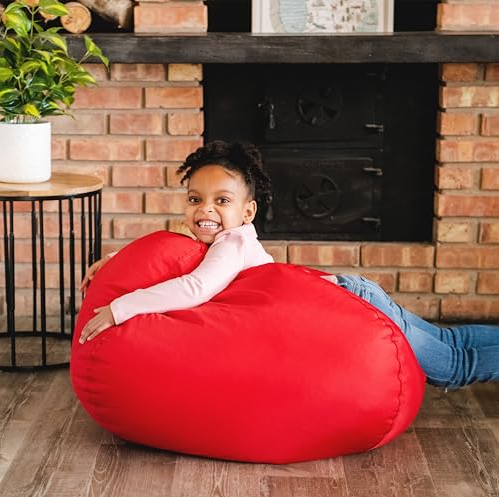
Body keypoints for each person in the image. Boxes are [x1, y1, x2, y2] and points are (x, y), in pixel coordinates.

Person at [79, 140, 499, 389]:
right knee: (451, 339)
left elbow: (195, 287)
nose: (205, 209)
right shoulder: (212, 236)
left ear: (247, 212)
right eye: (195, 199)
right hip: (354, 291)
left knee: (452, 367)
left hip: (354, 302)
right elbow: (168, 256)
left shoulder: (231, 242)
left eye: (221, 200)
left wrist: (121, 307)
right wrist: (116, 263)